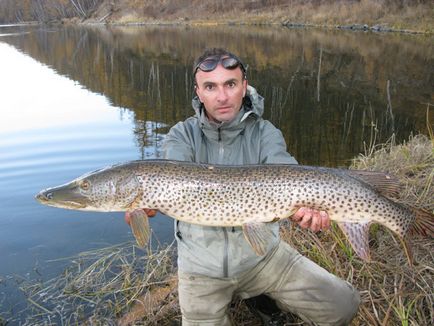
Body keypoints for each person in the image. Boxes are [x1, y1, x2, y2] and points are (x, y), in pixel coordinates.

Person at [126, 48, 360, 325]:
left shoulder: (265, 133)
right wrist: (148, 206)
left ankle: (258, 293)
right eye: (210, 87)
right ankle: (251, 297)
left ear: (244, 86)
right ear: (198, 92)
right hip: (201, 269)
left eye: (231, 84)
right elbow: (174, 172)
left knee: (344, 304)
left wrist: (311, 212)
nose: (222, 96)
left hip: (264, 258)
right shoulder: (181, 135)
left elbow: (288, 170)